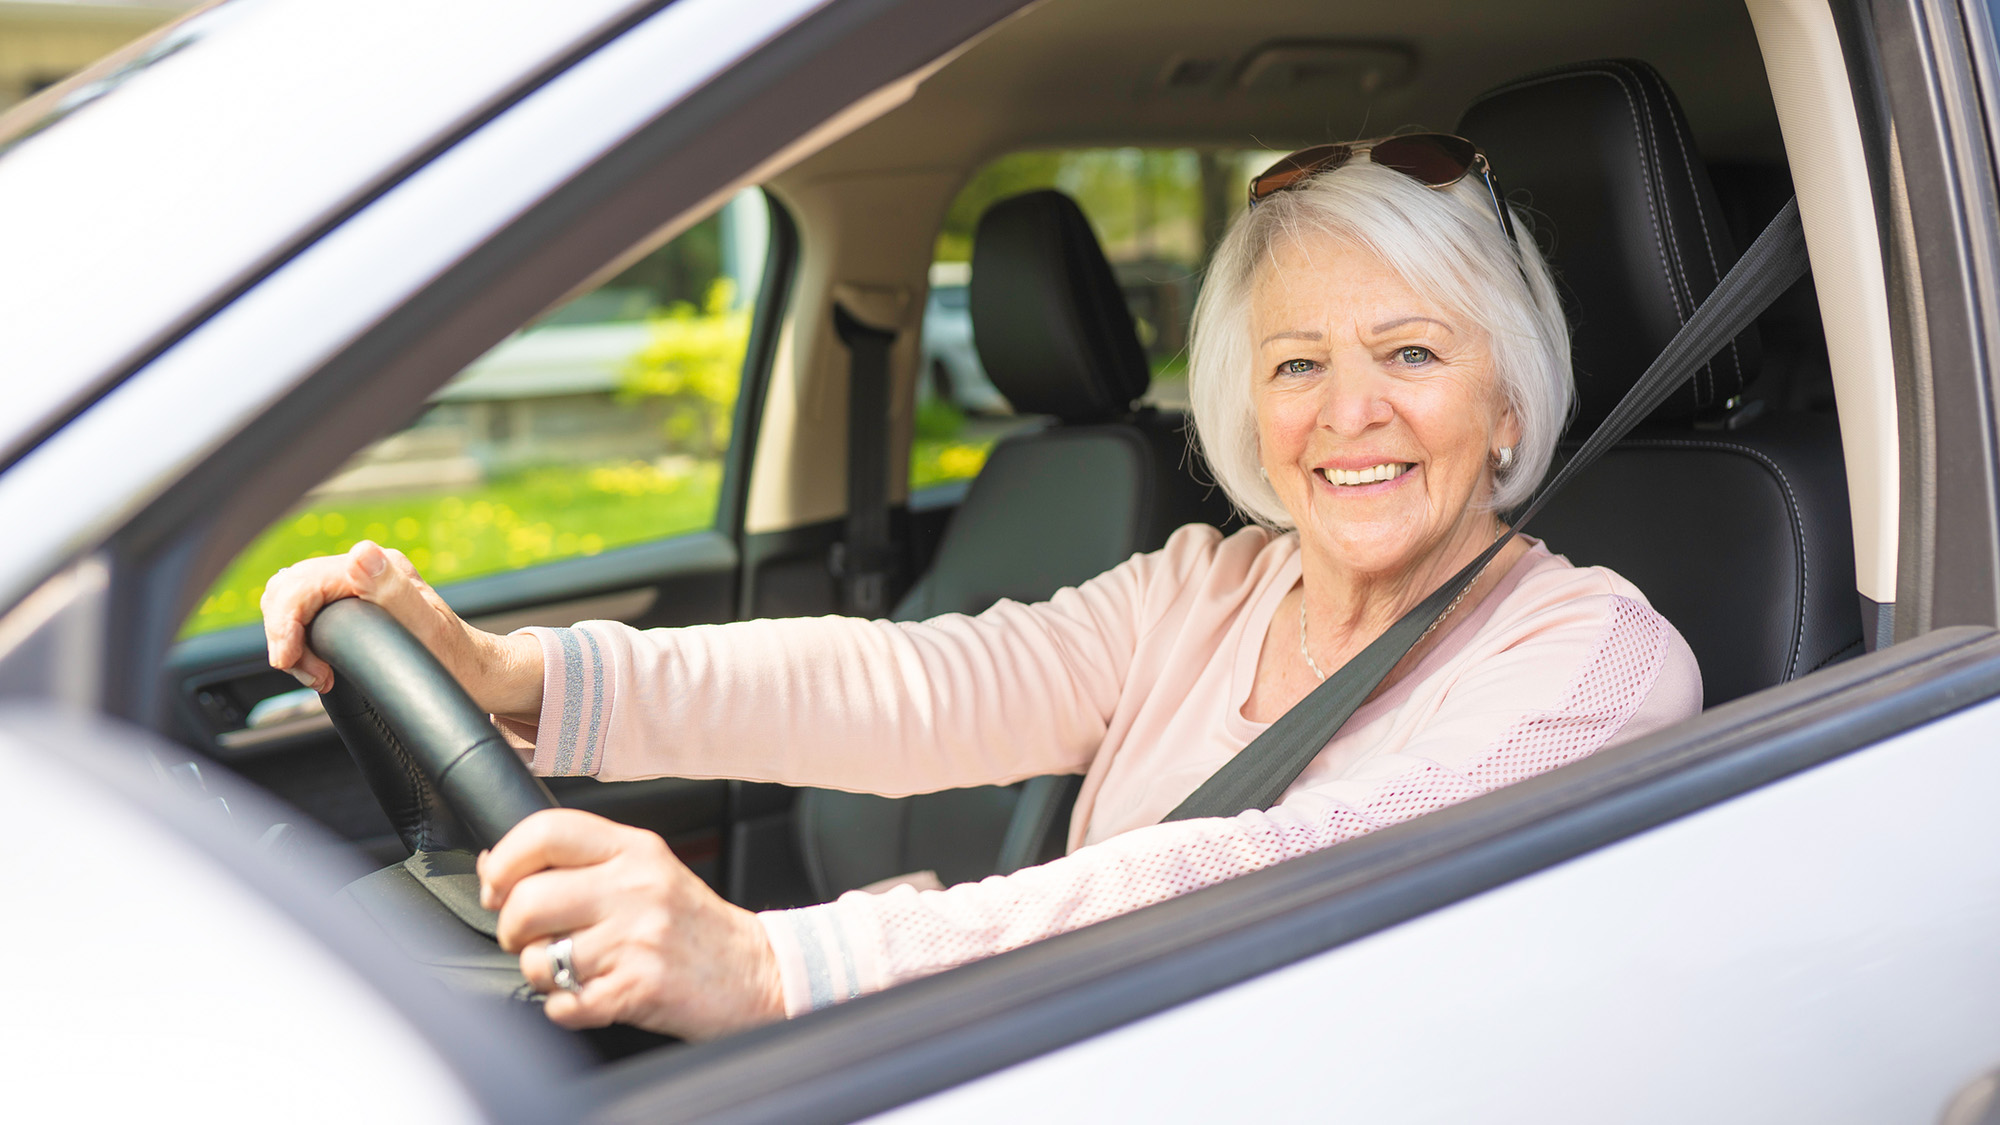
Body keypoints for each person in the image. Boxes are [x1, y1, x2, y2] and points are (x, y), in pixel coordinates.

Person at [262, 139, 1701, 1041]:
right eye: (1297, 363)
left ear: (1509, 404)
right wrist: (527, 679)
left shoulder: (1596, 659)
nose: (1351, 414)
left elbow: (1274, 874)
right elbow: (918, 683)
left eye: (1413, 353)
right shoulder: (1211, 583)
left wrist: (776, 965)